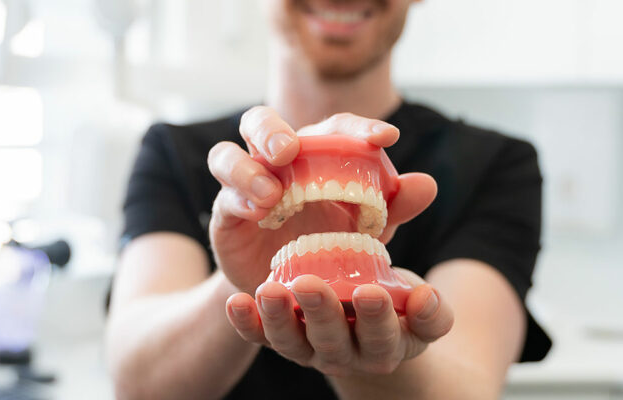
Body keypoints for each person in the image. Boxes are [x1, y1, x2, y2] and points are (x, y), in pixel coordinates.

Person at [105, 0, 551, 398]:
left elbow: (466, 387)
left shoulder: (499, 165)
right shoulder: (172, 152)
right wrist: (248, 277)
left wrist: (370, 355)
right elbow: (136, 382)